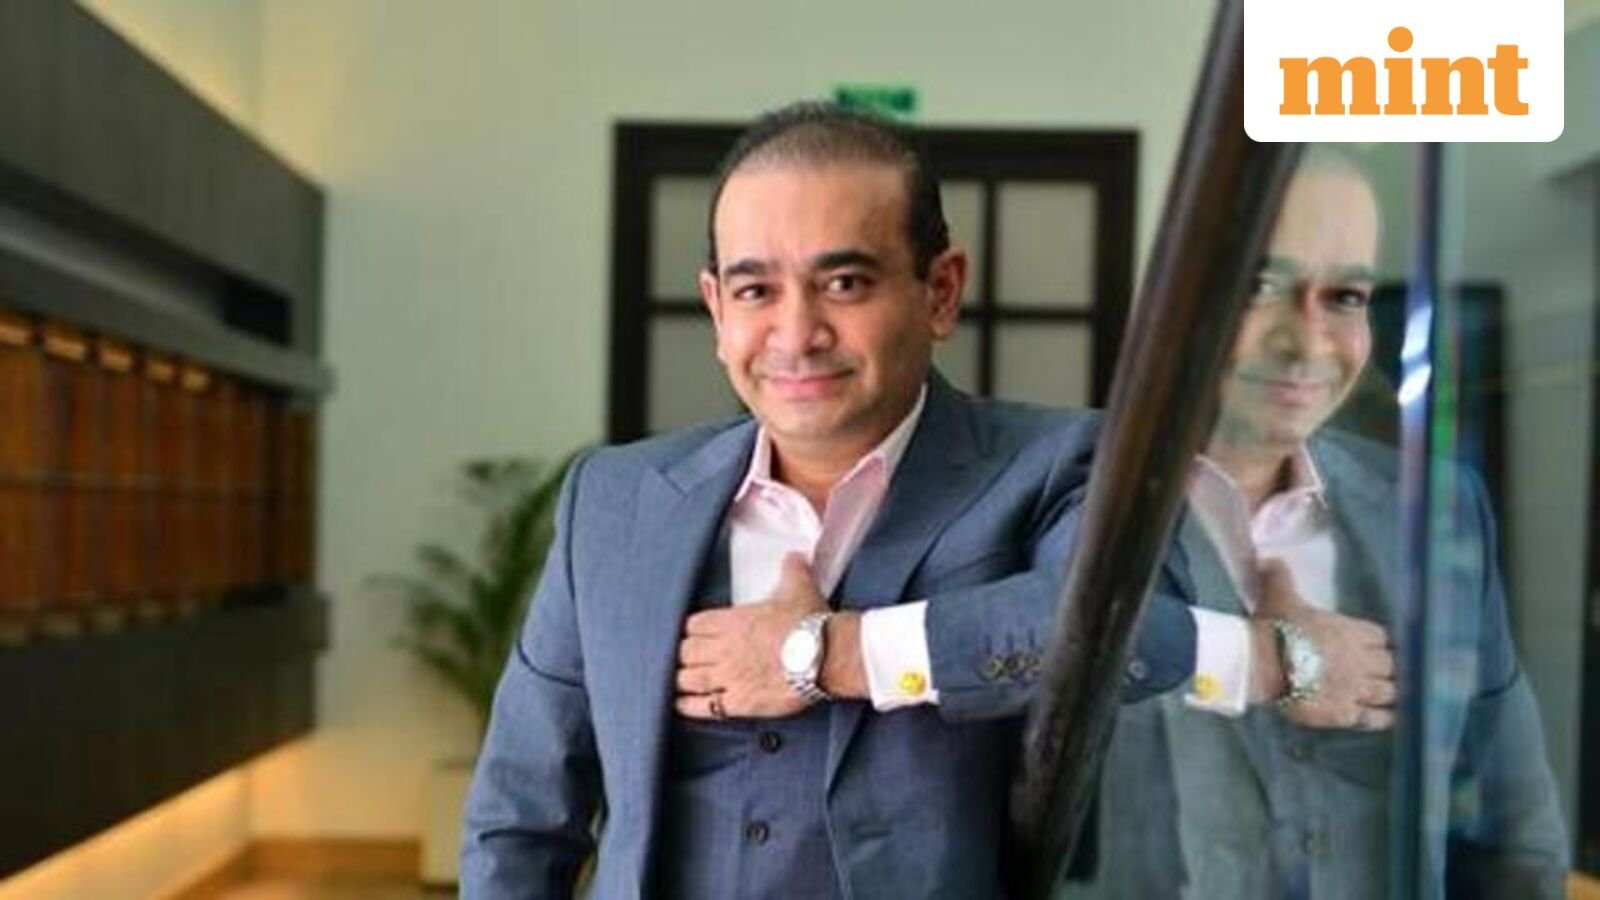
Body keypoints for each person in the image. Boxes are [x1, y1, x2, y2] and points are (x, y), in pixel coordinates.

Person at [460, 103, 1391, 899]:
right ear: (716, 309)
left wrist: (825, 652)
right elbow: (521, 816)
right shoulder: (616, 501)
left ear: (940, 292)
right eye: (756, 289)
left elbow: (1129, 634)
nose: (796, 331)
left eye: (845, 282)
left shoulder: (1062, 460)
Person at [1068, 153, 1569, 899]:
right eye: (1262, 287)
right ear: (1180, 296)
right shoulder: (1066, 507)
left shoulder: (1438, 508)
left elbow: (1515, 827)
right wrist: (1259, 660)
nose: (1306, 341)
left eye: (1345, 296)